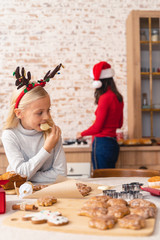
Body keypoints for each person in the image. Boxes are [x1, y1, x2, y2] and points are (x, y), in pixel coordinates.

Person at [1, 65, 67, 183]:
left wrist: (27, 175)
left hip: (50, 193)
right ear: (19, 113)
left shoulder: (53, 134)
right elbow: (20, 175)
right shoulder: (10, 135)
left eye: (48, 110)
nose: (47, 117)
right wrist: (47, 148)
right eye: (39, 113)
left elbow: (61, 174)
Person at [76, 61, 124, 169]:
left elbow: (97, 127)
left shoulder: (105, 98)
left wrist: (82, 133)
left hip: (102, 144)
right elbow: (119, 124)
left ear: (99, 82)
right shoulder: (118, 97)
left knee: (101, 180)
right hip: (113, 144)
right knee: (111, 180)